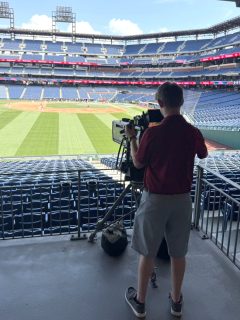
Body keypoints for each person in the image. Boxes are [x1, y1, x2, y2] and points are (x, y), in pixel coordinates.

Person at [124, 82, 208, 318]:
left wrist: (132, 139)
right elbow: (203, 153)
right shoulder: (192, 132)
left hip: (155, 200)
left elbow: (138, 163)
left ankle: (140, 303)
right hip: (182, 200)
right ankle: (176, 302)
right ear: (181, 102)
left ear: (160, 103)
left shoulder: (152, 133)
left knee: (147, 253)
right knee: (178, 254)